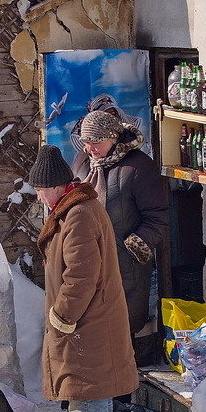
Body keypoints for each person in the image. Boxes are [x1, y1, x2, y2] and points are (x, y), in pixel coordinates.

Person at [30, 144, 138, 412]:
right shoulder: (76, 209)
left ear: (57, 187)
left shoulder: (77, 215)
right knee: (89, 390)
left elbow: (80, 274)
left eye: (40, 189)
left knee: (88, 391)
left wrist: (62, 315)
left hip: (86, 321)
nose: (38, 196)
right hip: (89, 319)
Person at [71, 109, 169, 367]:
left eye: (96, 142)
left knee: (125, 328)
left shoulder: (137, 167)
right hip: (91, 262)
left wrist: (134, 246)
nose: (90, 148)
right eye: (86, 142)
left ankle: (127, 388)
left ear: (113, 137)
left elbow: (158, 217)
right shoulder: (83, 163)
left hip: (126, 265)